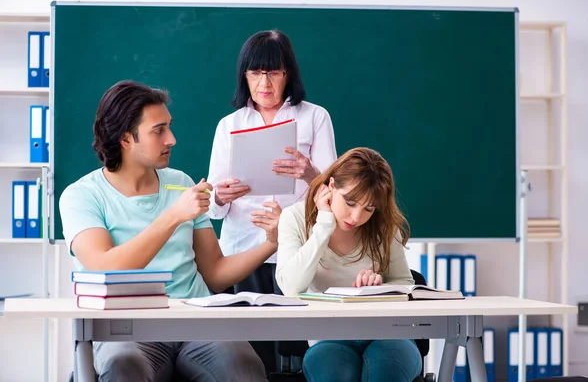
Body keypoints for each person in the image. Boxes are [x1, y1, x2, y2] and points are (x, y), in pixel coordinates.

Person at [59, 80, 273, 382]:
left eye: (169, 127)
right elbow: (105, 269)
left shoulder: (181, 183)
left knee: (243, 367)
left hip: (194, 322)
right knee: (124, 366)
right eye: (158, 130)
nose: (171, 139)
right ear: (125, 139)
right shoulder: (81, 195)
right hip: (126, 329)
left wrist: (272, 242)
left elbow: (215, 272)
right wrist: (174, 216)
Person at [207, 29, 337, 373]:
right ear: (244, 76)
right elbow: (214, 207)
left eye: (273, 72)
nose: (264, 83)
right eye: (255, 73)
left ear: (287, 74)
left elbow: (333, 197)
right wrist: (220, 196)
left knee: (299, 351)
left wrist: (311, 174)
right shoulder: (229, 125)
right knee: (249, 354)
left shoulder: (315, 117)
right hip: (241, 251)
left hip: (296, 249)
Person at [275, 147, 423, 382]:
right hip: (327, 336)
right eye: (350, 202)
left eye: (368, 208)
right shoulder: (294, 218)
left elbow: (404, 283)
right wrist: (324, 224)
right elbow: (292, 288)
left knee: (384, 373)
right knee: (336, 373)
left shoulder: (383, 225)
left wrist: (380, 288)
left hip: (388, 333)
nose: (356, 217)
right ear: (331, 186)